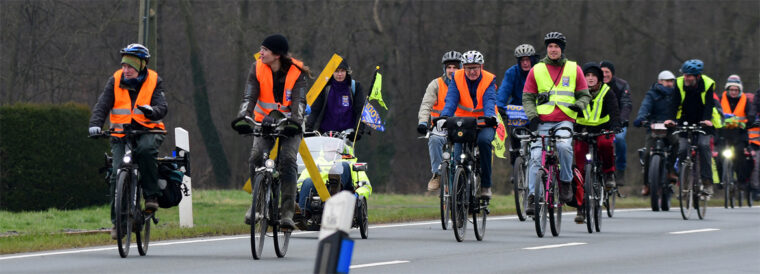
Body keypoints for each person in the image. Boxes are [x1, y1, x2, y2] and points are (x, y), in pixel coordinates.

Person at [88, 43, 168, 239]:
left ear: (142, 65)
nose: (126, 70)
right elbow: (102, 104)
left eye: (130, 66)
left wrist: (152, 111)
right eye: (124, 65)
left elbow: (162, 107)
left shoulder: (154, 80)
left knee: (146, 151)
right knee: (117, 173)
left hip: (147, 131)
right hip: (120, 134)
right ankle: (118, 223)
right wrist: (95, 124)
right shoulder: (115, 80)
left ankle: (150, 196)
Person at [232, 34, 310, 230]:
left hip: (290, 122)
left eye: (264, 49)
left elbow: (299, 103)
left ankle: (287, 213)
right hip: (264, 121)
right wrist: (244, 117)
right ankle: (256, 206)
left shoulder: (297, 73)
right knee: (256, 156)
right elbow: (249, 96)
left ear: (276, 55)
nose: (261, 53)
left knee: (287, 160)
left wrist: (295, 122)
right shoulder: (256, 68)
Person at [523, 32, 591, 215]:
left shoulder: (573, 68)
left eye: (557, 47)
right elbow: (528, 98)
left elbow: (585, 94)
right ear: (546, 49)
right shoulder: (536, 70)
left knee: (564, 146)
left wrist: (579, 106)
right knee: (536, 156)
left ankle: (566, 183)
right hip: (542, 122)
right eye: (550, 46)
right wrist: (532, 117)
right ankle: (532, 196)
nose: (553, 50)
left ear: (562, 49)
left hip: (564, 120)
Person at [439, 50, 499, 198]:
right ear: (463, 68)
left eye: (475, 68)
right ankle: (458, 191)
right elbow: (451, 99)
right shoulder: (457, 77)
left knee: (484, 142)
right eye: (468, 68)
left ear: (481, 66)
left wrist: (490, 116)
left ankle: (485, 185)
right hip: (463, 122)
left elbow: (490, 100)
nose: (472, 71)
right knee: (458, 157)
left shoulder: (489, 79)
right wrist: (444, 116)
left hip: (484, 122)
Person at [573, 62, 620, 223]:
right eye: (587, 75)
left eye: (594, 76)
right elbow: (571, 112)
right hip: (583, 131)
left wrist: (615, 127)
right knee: (579, 169)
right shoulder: (576, 92)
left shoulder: (607, 92)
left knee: (605, 145)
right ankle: (580, 208)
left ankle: (608, 173)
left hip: (602, 130)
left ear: (599, 78)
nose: (590, 78)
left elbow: (614, 112)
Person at [664, 59, 717, 196]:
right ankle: (683, 183)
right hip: (685, 121)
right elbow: (674, 103)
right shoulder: (679, 82)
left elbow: (709, 104)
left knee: (704, 146)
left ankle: (707, 183)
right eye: (685, 75)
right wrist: (671, 118)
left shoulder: (708, 83)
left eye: (689, 76)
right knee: (682, 150)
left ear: (697, 77)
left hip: (703, 122)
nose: (685, 78)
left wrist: (706, 120)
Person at [416, 51, 463, 191]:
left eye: (455, 67)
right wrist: (423, 122)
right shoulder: (436, 84)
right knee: (434, 140)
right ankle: (437, 174)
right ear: (444, 69)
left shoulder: (465, 84)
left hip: (461, 126)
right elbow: (426, 105)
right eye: (449, 67)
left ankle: (469, 175)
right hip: (440, 126)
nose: (452, 70)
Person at [634, 70, 679, 195]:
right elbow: (645, 106)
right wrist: (640, 119)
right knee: (648, 153)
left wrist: (676, 121)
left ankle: (671, 171)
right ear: (660, 82)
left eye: (671, 81)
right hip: (654, 128)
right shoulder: (652, 94)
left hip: (670, 128)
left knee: (676, 143)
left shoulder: (676, 94)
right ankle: (647, 184)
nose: (670, 84)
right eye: (667, 81)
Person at [497, 44, 539, 165]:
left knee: (537, 138)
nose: (525, 63)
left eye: (527, 60)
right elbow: (504, 89)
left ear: (532, 60)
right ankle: (515, 159)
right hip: (517, 108)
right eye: (522, 60)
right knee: (514, 134)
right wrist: (499, 105)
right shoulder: (512, 72)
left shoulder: (539, 71)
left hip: (535, 109)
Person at [305, 60, 365, 137]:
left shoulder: (355, 87)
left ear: (347, 72)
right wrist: (308, 129)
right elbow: (315, 110)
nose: (339, 74)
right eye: (336, 71)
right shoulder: (324, 87)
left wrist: (358, 131)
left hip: (347, 135)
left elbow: (361, 110)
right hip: (325, 134)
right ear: (332, 72)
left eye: (342, 71)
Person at [716, 75, 755, 191]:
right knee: (719, 157)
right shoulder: (719, 99)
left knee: (740, 157)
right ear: (727, 90)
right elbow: (714, 112)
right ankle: (721, 181)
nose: (733, 92)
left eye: (736, 90)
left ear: (740, 90)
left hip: (739, 134)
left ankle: (741, 181)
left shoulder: (745, 100)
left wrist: (748, 122)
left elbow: (751, 114)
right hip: (724, 133)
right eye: (731, 90)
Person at [600, 61, 633, 186]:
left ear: (612, 73)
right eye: (602, 72)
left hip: (618, 122)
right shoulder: (594, 84)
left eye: (607, 72)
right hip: (599, 122)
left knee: (619, 140)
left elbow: (626, 104)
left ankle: (620, 169)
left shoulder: (622, 85)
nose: (604, 74)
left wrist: (622, 119)